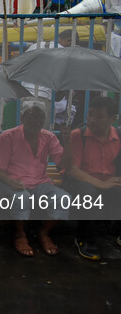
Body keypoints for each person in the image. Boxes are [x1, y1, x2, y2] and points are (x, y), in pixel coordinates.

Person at [0, 100, 72, 257]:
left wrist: (68, 141)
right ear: (22, 118)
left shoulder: (49, 137)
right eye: (31, 116)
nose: (35, 121)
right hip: (10, 182)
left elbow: (63, 164)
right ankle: (20, 235)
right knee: (22, 197)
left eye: (39, 117)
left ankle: (44, 233)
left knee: (63, 198)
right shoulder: (8, 136)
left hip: (40, 182)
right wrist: (10, 182)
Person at [63, 96, 121, 260]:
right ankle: (85, 239)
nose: (92, 120)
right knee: (87, 192)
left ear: (113, 118)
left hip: (108, 182)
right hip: (81, 181)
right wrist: (101, 184)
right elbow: (72, 170)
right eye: (90, 115)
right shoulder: (78, 135)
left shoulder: (119, 137)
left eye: (99, 116)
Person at [21, 29, 78, 129]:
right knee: (41, 135)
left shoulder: (35, 46)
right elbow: (62, 82)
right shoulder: (64, 53)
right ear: (69, 41)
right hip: (43, 97)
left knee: (25, 133)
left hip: (24, 95)